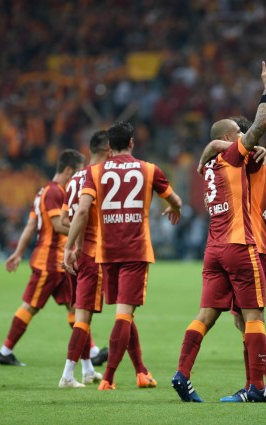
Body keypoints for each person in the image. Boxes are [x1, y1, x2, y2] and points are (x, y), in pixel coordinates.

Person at [171, 62, 266, 403]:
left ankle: (182, 374)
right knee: (252, 317)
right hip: (242, 245)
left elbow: (213, 153)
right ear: (229, 139)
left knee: (208, 315)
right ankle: (256, 388)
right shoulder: (235, 156)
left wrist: (210, 152)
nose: (242, 136)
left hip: (214, 249)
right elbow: (262, 123)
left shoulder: (211, 166)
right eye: (237, 133)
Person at [64, 121, 182, 391]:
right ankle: (108, 378)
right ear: (131, 143)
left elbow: (82, 212)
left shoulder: (94, 172)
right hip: (135, 250)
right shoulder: (149, 169)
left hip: (106, 252)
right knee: (124, 315)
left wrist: (70, 247)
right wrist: (175, 208)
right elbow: (175, 200)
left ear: (109, 147)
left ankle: (141, 371)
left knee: (124, 314)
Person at [196, 115, 266, 401]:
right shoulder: (245, 161)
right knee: (246, 319)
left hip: (249, 245)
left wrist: (212, 149)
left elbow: (240, 139)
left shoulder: (248, 159)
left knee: (249, 318)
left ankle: (255, 386)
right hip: (255, 244)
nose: (241, 138)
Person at [0, 149, 86, 367]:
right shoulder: (54, 192)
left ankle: (90, 354)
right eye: (79, 172)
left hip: (60, 262)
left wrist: (18, 253)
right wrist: (86, 231)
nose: (80, 177)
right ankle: (5, 351)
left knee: (75, 307)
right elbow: (57, 226)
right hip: (49, 262)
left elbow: (30, 226)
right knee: (31, 306)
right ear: (68, 170)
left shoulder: (43, 191)